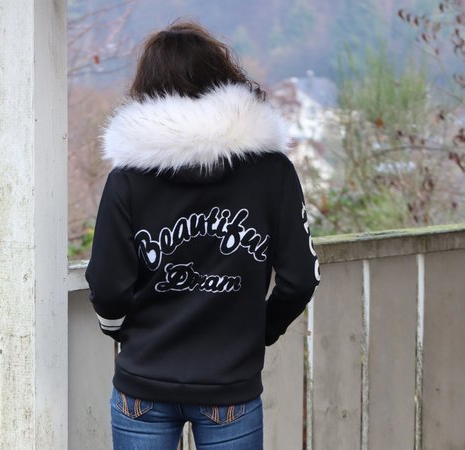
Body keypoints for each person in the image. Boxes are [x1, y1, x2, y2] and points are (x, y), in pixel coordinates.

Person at [85, 19, 320, 450]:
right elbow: (301, 278)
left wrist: (118, 329)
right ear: (223, 77)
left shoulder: (129, 178)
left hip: (144, 381)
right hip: (229, 384)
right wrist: (260, 331)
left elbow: (106, 284)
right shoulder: (272, 172)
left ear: (148, 89)